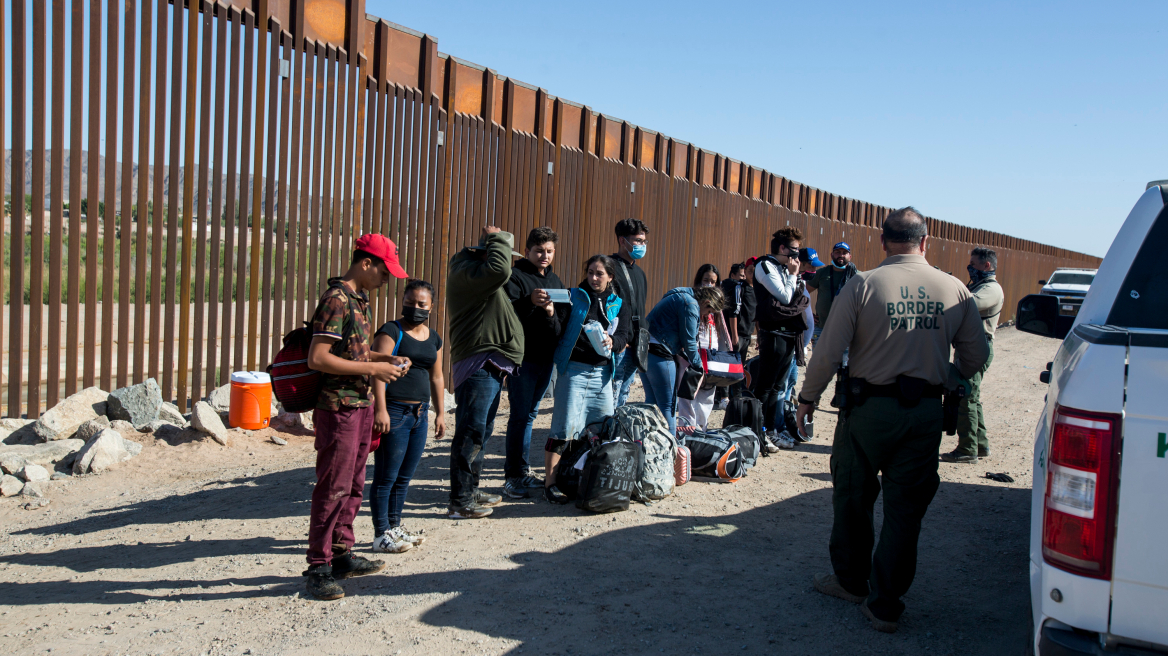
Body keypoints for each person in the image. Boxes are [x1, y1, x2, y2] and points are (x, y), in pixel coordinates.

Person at [795, 207, 989, 633]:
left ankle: (850, 581)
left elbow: (828, 352)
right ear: (926, 242)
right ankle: (885, 604)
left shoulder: (863, 285)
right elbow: (975, 358)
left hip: (867, 410)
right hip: (924, 414)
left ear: (883, 242)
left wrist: (807, 399)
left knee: (852, 495)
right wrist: (941, 374)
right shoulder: (955, 289)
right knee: (905, 510)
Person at [303, 233, 411, 601]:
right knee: (332, 486)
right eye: (385, 270)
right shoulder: (336, 300)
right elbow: (318, 358)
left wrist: (386, 361)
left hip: (359, 404)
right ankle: (318, 567)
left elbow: (357, 355)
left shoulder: (358, 300)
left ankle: (341, 554)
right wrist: (376, 370)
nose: (388, 278)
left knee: (352, 486)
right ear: (366, 263)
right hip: (339, 407)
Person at [446, 226, 524, 519]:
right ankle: (460, 499)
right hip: (478, 365)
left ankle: (470, 490)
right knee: (471, 432)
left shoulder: (476, 276)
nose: (508, 263)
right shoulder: (469, 273)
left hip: (488, 364)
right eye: (503, 255)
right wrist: (496, 238)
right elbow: (500, 271)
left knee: (482, 431)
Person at [543, 255, 632, 503]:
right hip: (573, 370)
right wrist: (551, 312)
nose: (593, 278)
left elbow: (625, 335)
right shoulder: (574, 296)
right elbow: (557, 329)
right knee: (563, 428)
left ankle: (584, 477)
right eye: (590, 272)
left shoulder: (618, 304)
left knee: (600, 429)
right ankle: (550, 484)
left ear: (610, 277)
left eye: (599, 273)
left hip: (603, 375)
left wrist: (614, 342)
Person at [369, 280, 446, 554]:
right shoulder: (392, 330)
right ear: (403, 300)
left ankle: (395, 526)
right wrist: (380, 409)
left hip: (420, 414)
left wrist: (440, 413)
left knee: (404, 477)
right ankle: (381, 534)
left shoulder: (435, 338)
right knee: (386, 476)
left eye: (421, 304)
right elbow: (377, 368)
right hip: (394, 411)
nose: (415, 308)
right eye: (410, 302)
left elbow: (436, 376)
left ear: (431, 307)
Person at [501, 227, 565, 499]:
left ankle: (522, 472)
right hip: (522, 358)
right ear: (527, 251)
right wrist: (529, 301)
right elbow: (506, 313)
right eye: (539, 250)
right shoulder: (514, 277)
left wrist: (550, 312)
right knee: (519, 416)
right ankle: (513, 476)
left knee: (530, 414)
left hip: (546, 358)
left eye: (549, 251)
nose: (544, 256)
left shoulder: (557, 281)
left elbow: (560, 322)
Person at [941, 246, 1004, 464]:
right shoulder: (979, 286)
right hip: (970, 347)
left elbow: (970, 303)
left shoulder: (991, 289)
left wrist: (949, 287)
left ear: (987, 265)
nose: (971, 268)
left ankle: (967, 449)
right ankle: (980, 444)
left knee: (966, 396)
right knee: (971, 396)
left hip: (977, 348)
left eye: (974, 264)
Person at [751, 227, 809, 450]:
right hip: (773, 333)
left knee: (778, 386)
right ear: (782, 248)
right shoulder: (765, 266)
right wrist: (793, 275)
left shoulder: (785, 269)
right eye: (794, 250)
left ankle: (772, 430)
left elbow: (797, 296)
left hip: (788, 334)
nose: (797, 256)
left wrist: (793, 276)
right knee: (765, 386)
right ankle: (759, 431)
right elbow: (785, 297)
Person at [643, 285, 726, 435]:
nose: (706, 316)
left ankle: (650, 443)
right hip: (661, 353)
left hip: (644, 351)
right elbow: (689, 343)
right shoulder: (691, 305)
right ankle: (672, 450)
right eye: (708, 311)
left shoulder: (678, 293)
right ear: (706, 302)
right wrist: (699, 367)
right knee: (668, 406)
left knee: (651, 404)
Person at [678, 265, 734, 430]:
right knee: (689, 395)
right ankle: (687, 430)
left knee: (708, 395)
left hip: (711, 356)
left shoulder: (716, 308)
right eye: (706, 281)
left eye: (713, 282)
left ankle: (701, 428)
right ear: (698, 282)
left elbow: (721, 332)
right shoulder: (691, 302)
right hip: (692, 355)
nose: (709, 285)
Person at [610, 218, 650, 407]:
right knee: (611, 397)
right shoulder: (609, 268)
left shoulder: (640, 273)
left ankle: (617, 434)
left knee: (623, 396)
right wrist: (619, 340)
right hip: (618, 346)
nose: (642, 245)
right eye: (637, 240)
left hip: (636, 346)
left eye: (644, 241)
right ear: (622, 240)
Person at [716, 262, 756, 406]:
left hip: (746, 334)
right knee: (728, 364)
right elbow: (734, 312)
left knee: (739, 366)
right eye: (744, 273)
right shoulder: (738, 288)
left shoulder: (756, 289)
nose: (746, 277)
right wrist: (734, 335)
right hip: (736, 334)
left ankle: (737, 396)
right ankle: (724, 397)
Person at [807, 242, 859, 344]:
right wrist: (808, 314)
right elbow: (803, 293)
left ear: (850, 256)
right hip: (822, 328)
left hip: (847, 330)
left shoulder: (857, 277)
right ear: (832, 255)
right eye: (837, 252)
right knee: (819, 360)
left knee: (845, 360)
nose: (841, 255)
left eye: (844, 253)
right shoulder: (822, 273)